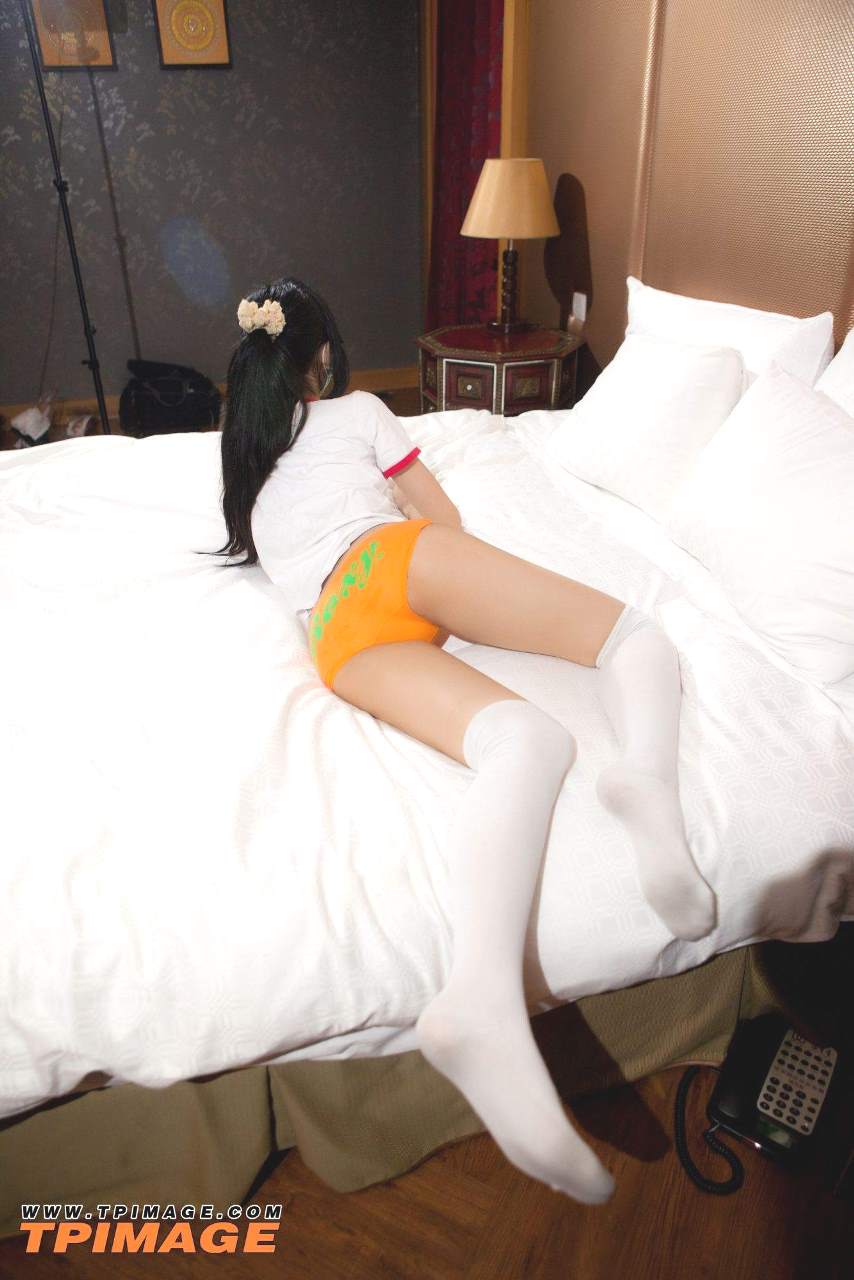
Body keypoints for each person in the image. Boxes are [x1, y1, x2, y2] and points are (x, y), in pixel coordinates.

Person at [208, 276, 718, 1204]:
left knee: (523, 742)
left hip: (337, 636)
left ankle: (478, 997)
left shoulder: (245, 459)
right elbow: (440, 522)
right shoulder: (359, 411)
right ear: (322, 361)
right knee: (635, 638)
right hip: (392, 561)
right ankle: (645, 777)